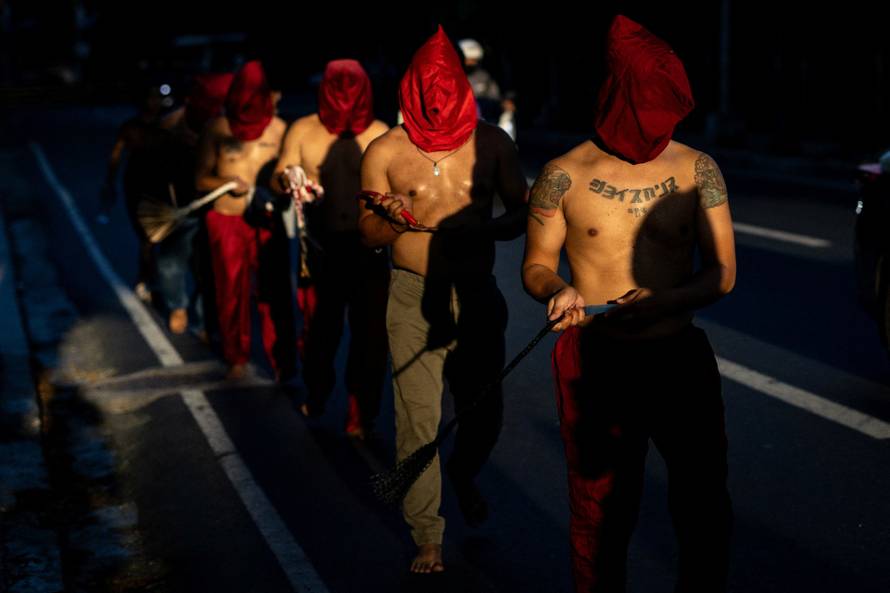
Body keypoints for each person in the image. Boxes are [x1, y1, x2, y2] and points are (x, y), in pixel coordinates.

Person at [521, 15, 735, 593]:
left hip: (677, 357)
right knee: (601, 509)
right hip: (597, 361)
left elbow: (722, 274)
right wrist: (557, 289)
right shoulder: (562, 175)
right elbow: (536, 264)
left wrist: (663, 301)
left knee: (703, 500)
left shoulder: (697, 169)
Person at [358, 26, 528, 574]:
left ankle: (462, 472)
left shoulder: (493, 143)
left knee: (485, 414)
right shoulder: (384, 149)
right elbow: (366, 235)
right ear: (410, 93)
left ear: (462, 90)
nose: (435, 106)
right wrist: (392, 220)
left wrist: (480, 230)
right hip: (410, 294)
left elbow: (523, 214)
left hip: (476, 293)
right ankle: (427, 533)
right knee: (417, 418)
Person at [272, 59, 390, 439]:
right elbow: (280, 173)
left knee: (370, 336)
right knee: (321, 331)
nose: (343, 97)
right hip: (321, 249)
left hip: (367, 251)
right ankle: (317, 393)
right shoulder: (304, 128)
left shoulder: (380, 131)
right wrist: (290, 177)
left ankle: (362, 412)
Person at [194, 60, 297, 381]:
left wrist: (289, 183)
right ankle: (235, 355)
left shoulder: (279, 129)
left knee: (274, 293)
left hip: (266, 221)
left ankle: (281, 363)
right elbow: (199, 180)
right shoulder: (218, 129)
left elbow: (288, 174)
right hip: (226, 219)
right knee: (230, 291)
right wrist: (228, 184)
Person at [157, 72, 233, 334]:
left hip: (212, 204)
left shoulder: (224, 123)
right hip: (178, 203)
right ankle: (177, 305)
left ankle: (202, 319)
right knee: (172, 262)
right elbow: (154, 169)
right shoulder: (172, 125)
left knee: (207, 267)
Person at [100, 83, 173, 302]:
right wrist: (110, 183)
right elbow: (116, 156)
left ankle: (152, 278)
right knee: (146, 237)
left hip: (159, 186)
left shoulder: (166, 126)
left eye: (157, 98)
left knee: (158, 237)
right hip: (136, 186)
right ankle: (146, 279)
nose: (155, 102)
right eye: (151, 98)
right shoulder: (130, 127)